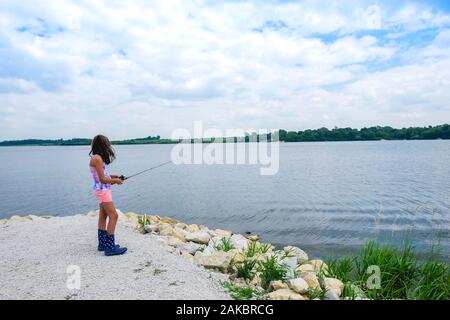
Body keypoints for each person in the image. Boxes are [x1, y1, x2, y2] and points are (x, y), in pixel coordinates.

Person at [89, 134, 127, 256]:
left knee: (103, 216)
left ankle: (102, 244)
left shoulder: (97, 158)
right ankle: (110, 248)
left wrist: (114, 177)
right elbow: (102, 179)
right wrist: (115, 181)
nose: (109, 147)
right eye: (107, 144)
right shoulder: (97, 159)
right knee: (114, 216)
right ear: (103, 145)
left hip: (101, 190)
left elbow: (104, 176)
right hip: (102, 191)